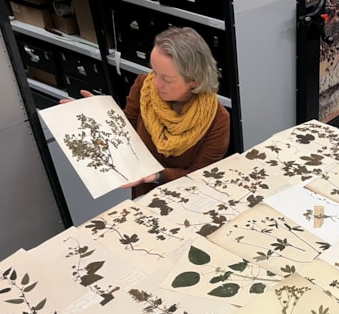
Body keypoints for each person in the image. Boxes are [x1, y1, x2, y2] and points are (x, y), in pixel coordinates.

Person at [65, 26, 230, 199]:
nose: (156, 83)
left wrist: (159, 176)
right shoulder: (145, 87)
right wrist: (98, 114)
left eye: (166, 79)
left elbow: (200, 175)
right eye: (154, 71)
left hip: (187, 200)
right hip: (143, 196)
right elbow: (124, 128)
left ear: (194, 81)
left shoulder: (217, 119)